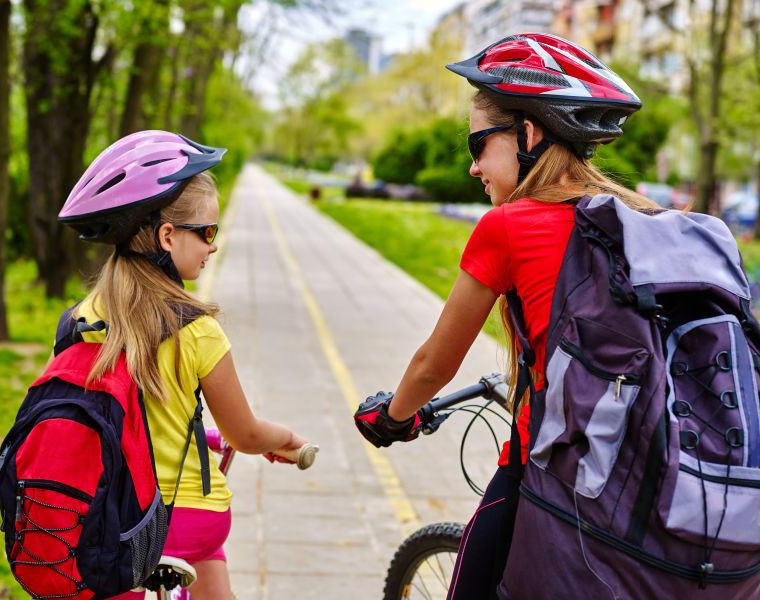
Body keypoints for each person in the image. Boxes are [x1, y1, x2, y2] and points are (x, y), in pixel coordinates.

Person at [353, 33, 661, 598]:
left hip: (551, 472)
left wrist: (391, 418)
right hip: (659, 479)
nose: (473, 168)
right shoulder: (646, 218)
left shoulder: (509, 226)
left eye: (477, 145)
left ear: (529, 133)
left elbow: (433, 364)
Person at [56, 130, 308, 600]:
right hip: (186, 524)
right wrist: (284, 439)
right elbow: (244, 434)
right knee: (205, 549)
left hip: (99, 520)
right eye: (208, 232)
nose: (214, 246)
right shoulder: (196, 329)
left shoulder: (76, 322)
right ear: (168, 236)